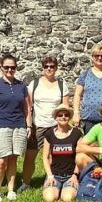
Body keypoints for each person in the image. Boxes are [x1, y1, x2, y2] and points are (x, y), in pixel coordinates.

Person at [18, 56, 70, 193]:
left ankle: (52, 181)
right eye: (46, 66)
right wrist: (28, 124)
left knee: (54, 156)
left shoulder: (61, 85)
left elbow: (65, 106)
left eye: (52, 66)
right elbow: (28, 106)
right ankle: (26, 183)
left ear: (56, 68)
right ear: (43, 68)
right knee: (30, 155)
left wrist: (65, 125)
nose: (49, 69)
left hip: (55, 126)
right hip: (37, 124)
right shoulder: (34, 84)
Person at [0, 54, 32, 202]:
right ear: (1, 68)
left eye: (12, 67)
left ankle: (11, 190)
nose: (10, 70)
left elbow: (27, 108)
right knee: (1, 161)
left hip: (19, 126)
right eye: (6, 67)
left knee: (13, 159)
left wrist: (29, 125)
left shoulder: (21, 86)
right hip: (1, 126)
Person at [42, 104, 82, 202]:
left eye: (66, 115)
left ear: (69, 117)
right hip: (54, 174)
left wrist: (75, 175)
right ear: (56, 117)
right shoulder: (49, 134)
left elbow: (80, 156)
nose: (63, 117)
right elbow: (45, 157)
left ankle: (64, 190)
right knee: (49, 198)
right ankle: (56, 189)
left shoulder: (77, 133)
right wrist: (50, 175)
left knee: (68, 198)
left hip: (70, 175)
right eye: (60, 115)